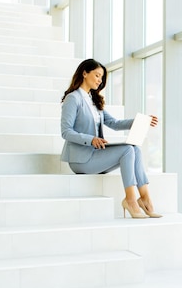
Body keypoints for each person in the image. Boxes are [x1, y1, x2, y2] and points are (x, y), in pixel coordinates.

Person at [61, 58, 161, 219]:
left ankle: (145, 198)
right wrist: (91, 139)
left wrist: (140, 121)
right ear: (84, 73)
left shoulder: (93, 100)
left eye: (101, 78)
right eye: (97, 75)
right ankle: (130, 200)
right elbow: (66, 131)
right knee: (128, 150)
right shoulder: (73, 99)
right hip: (81, 160)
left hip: (96, 155)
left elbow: (113, 123)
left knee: (134, 148)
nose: (100, 81)